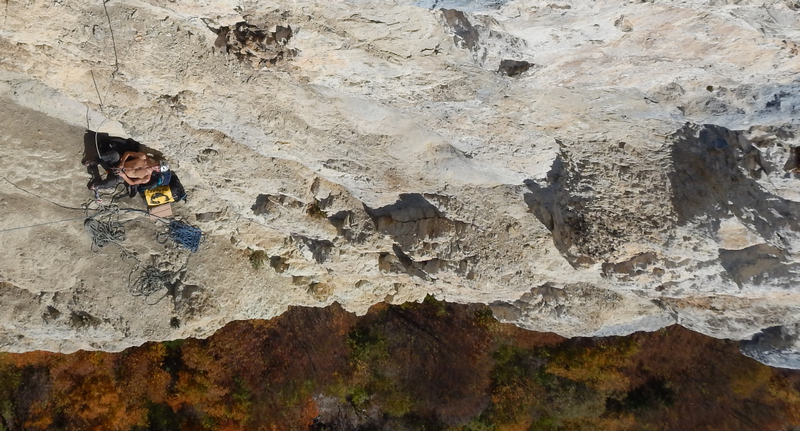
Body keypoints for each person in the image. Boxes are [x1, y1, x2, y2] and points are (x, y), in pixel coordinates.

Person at [87, 151, 169, 191]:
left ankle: (97, 185)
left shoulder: (147, 177)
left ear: (158, 171)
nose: (157, 166)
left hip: (119, 174)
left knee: (109, 183)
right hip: (118, 164)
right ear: (157, 161)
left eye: (159, 168)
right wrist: (122, 163)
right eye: (159, 164)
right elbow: (128, 153)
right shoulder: (143, 157)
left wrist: (123, 175)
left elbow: (132, 183)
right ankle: (95, 161)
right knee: (114, 155)